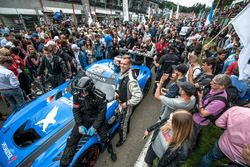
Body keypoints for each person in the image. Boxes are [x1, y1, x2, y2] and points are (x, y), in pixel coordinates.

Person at [60, 76, 117, 166]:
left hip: (97, 118)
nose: (82, 93)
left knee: (105, 138)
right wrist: (79, 124)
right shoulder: (77, 94)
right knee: (71, 140)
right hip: (85, 117)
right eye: (80, 91)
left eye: (84, 91)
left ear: (90, 89)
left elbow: (101, 114)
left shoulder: (100, 97)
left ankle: (111, 151)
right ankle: (64, 162)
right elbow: (76, 110)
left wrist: (95, 127)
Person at [192, 74, 232, 149]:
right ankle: (195, 145)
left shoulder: (219, 101)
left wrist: (200, 99)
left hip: (199, 121)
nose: (211, 83)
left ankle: (188, 150)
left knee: (191, 136)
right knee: (195, 134)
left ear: (222, 86)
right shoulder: (215, 89)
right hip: (196, 115)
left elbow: (203, 114)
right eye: (212, 81)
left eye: (214, 83)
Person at [114, 55, 143, 147]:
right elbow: (119, 83)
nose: (122, 65)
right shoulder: (123, 72)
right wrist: (116, 91)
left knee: (122, 124)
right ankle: (127, 130)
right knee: (125, 120)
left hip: (126, 106)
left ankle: (123, 139)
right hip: (121, 102)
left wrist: (127, 103)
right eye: (121, 63)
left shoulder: (131, 80)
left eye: (125, 64)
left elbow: (139, 96)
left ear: (130, 65)